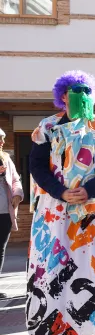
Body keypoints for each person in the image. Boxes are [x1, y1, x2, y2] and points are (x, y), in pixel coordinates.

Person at [26, 71, 95, 335]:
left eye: (85, 90)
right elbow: (36, 166)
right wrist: (60, 191)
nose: (79, 95)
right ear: (62, 96)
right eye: (73, 90)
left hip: (94, 209)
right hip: (55, 211)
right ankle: (57, 323)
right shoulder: (46, 127)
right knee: (55, 263)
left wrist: (90, 189)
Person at [0, 128, 23, 300]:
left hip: (4, 212)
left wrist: (17, 194)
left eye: (3, 139)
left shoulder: (6, 160)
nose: (2, 142)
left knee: (0, 249)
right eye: (0, 139)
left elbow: (16, 180)